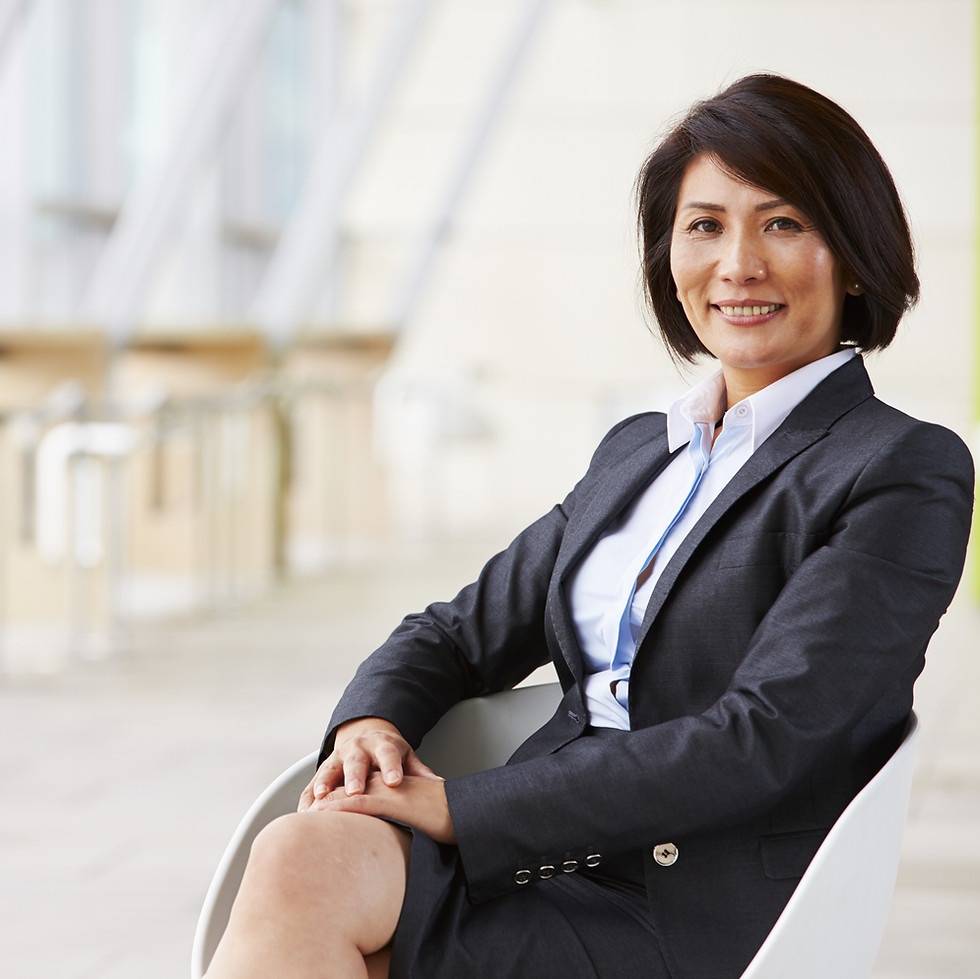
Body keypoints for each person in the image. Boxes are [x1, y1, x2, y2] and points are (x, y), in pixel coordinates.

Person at [204, 74, 974, 978]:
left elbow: (765, 737)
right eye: (705, 225)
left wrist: (465, 808)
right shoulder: (639, 452)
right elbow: (457, 631)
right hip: (534, 862)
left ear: (851, 255)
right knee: (300, 858)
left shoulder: (901, 467)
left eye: (784, 223)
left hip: (688, 895)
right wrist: (370, 723)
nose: (738, 264)